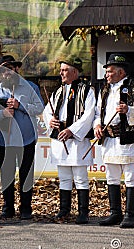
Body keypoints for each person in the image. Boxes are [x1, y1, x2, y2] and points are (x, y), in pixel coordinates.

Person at [94, 54, 134, 228]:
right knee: (111, 176)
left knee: (129, 177)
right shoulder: (104, 89)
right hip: (109, 139)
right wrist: (97, 126)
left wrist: (129, 110)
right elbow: (98, 113)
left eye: (110, 72)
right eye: (107, 72)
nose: (107, 75)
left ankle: (130, 215)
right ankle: (115, 213)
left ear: (120, 72)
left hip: (127, 139)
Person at [0, 55, 44, 220]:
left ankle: (26, 208)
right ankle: (8, 207)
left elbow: (40, 107)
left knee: (26, 174)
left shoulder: (30, 87)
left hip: (26, 139)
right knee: (6, 174)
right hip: (5, 139)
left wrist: (20, 106)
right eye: (4, 71)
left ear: (16, 69)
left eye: (10, 69)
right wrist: (3, 113)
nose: (7, 73)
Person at [43, 56, 96, 224]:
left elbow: (89, 114)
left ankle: (83, 212)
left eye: (65, 70)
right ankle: (64, 210)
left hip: (76, 139)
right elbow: (47, 111)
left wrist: (72, 130)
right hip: (60, 138)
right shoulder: (59, 91)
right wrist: (50, 120)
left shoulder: (87, 90)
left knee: (80, 176)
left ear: (75, 72)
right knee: (64, 176)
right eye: (61, 70)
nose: (61, 73)